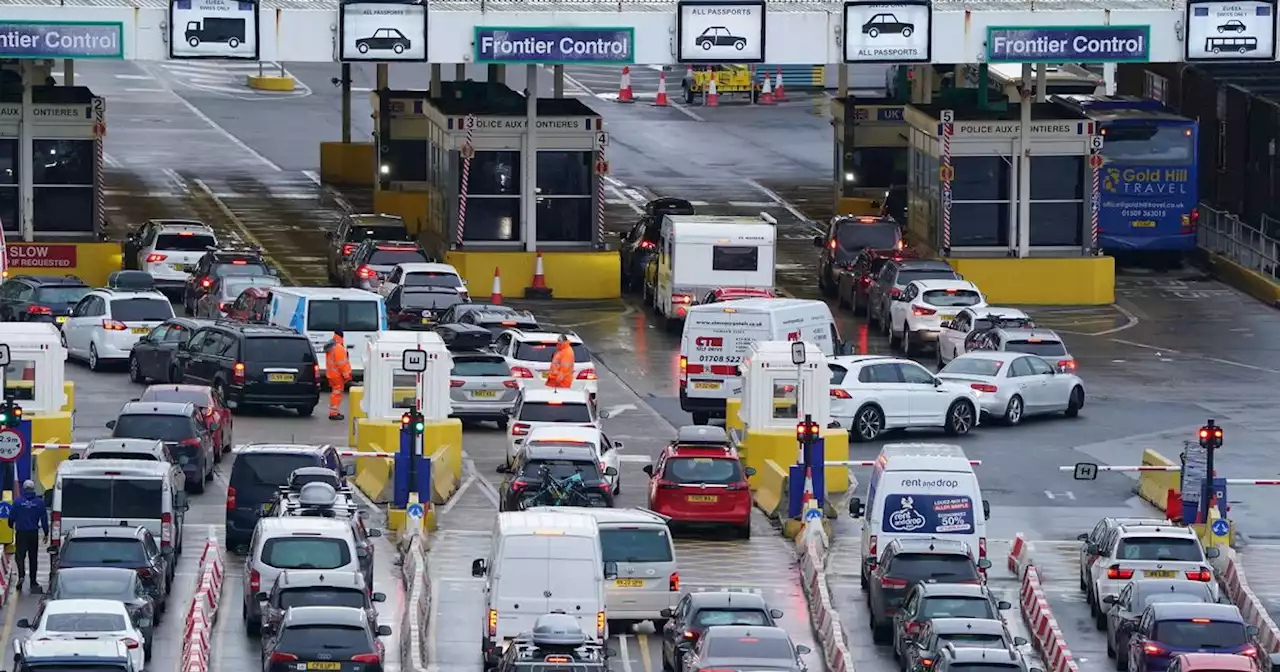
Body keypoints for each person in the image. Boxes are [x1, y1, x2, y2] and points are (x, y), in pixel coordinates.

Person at [9, 479, 48, 592]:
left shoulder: (17, 502)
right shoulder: (39, 502)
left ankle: (21, 576)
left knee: (20, 556)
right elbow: (44, 519)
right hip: (33, 533)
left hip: (21, 533)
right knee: (33, 557)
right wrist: (46, 532)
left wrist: (11, 525)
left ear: (24, 489)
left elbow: (11, 517)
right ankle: (33, 581)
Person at [324, 330, 353, 421]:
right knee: (337, 393)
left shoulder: (332, 346)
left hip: (331, 374)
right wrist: (347, 376)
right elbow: (342, 364)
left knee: (335, 393)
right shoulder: (338, 348)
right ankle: (333, 413)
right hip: (337, 375)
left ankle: (334, 411)